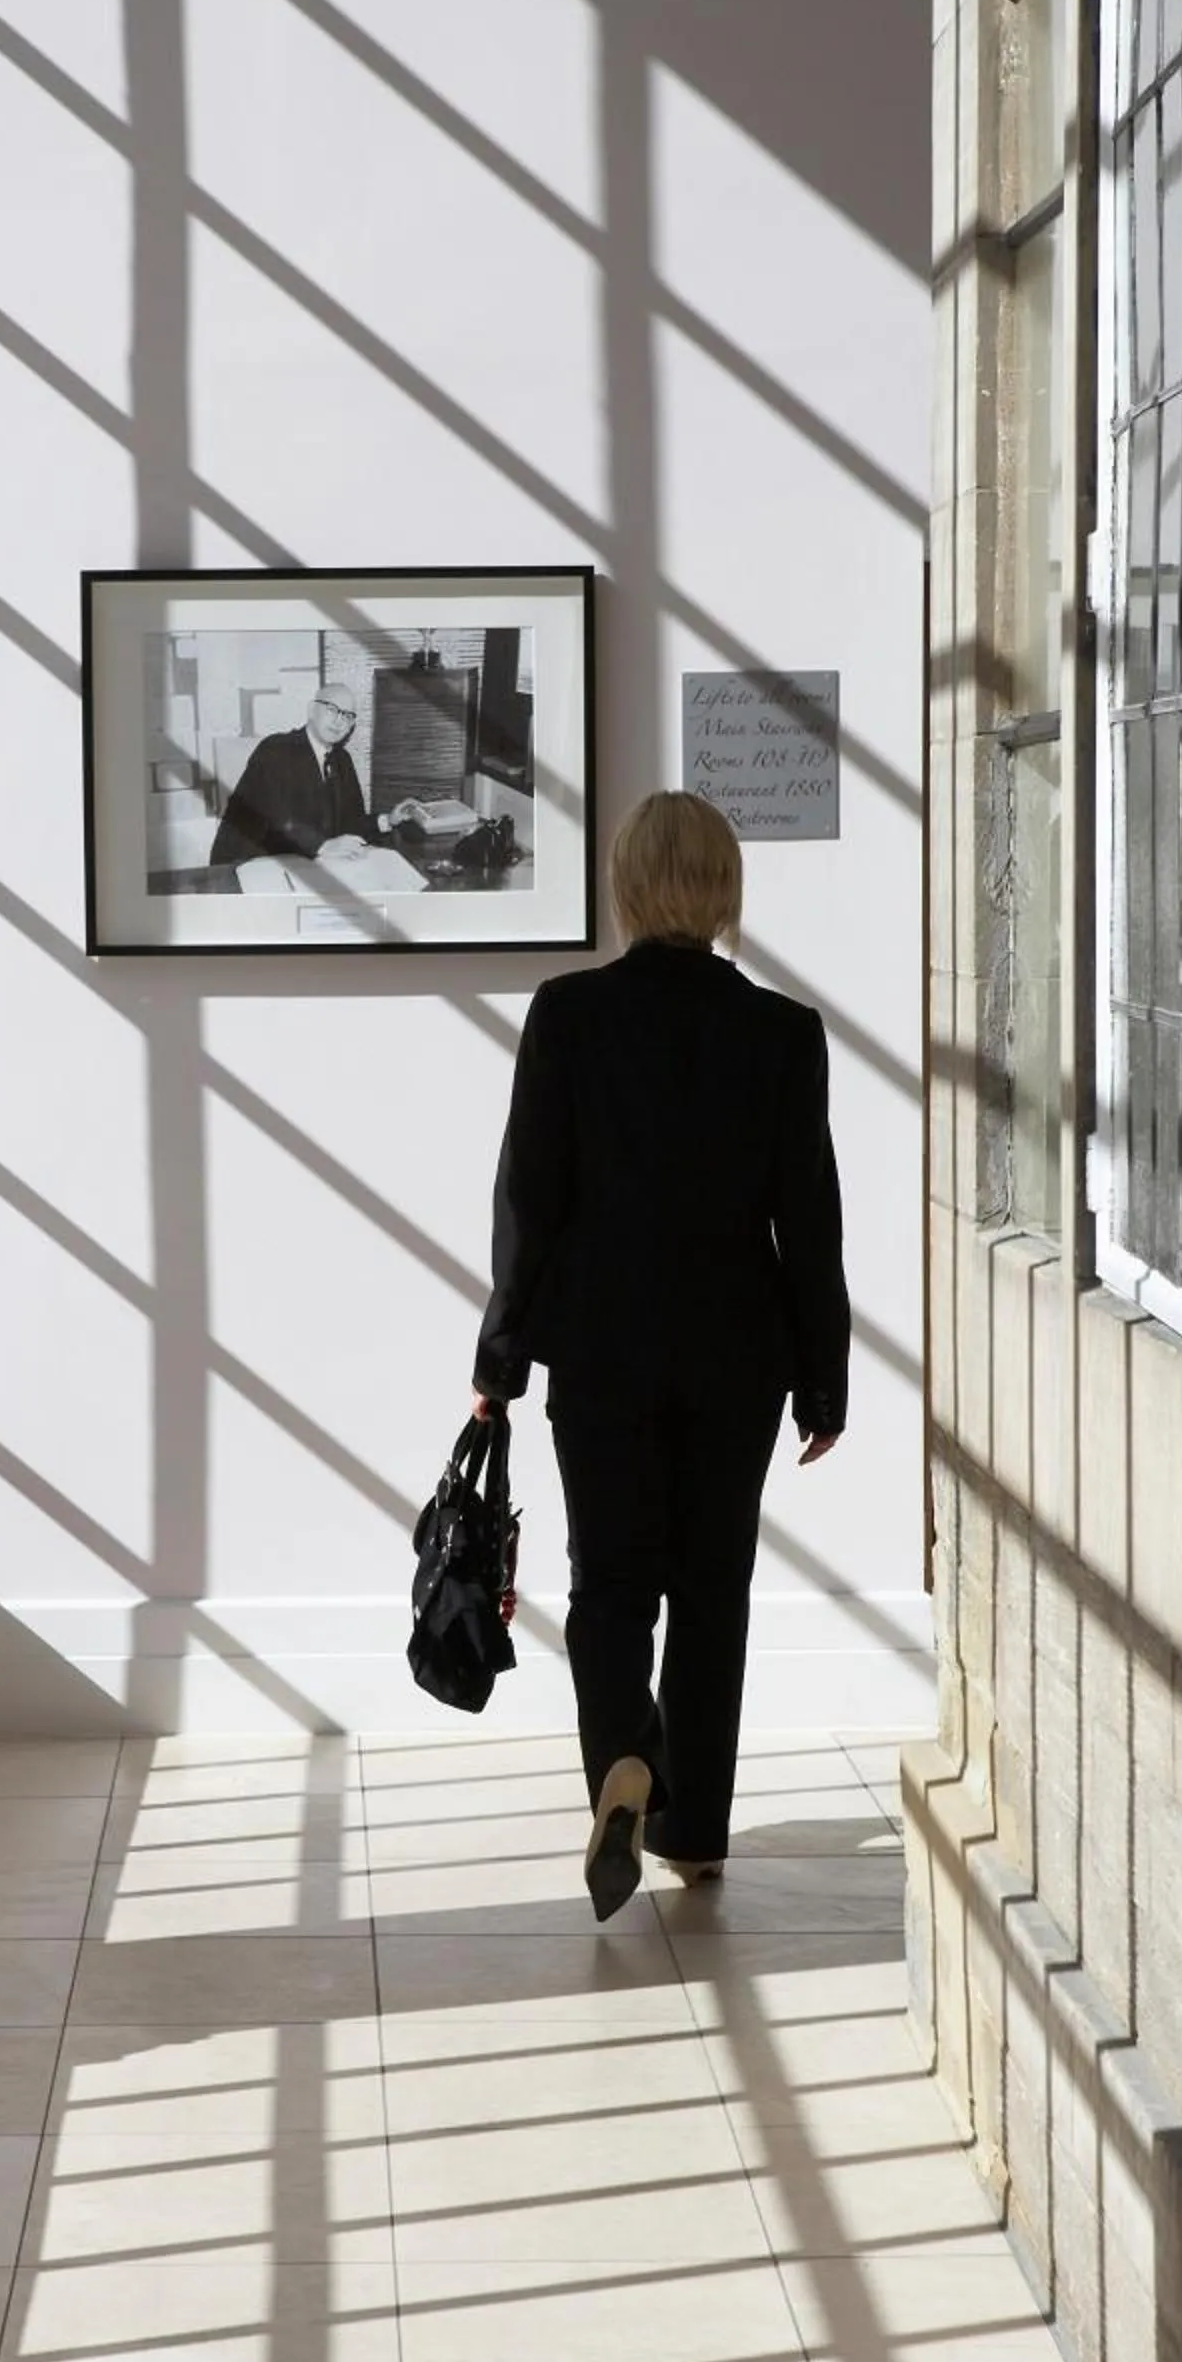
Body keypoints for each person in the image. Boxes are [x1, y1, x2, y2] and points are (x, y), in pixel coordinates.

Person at [471, 790, 849, 1922]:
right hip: (740, 1353)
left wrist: (500, 1360)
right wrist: (823, 1375)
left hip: (600, 1350)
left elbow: (527, 1204)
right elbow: (809, 1219)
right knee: (712, 1589)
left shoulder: (567, 1016)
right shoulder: (783, 1034)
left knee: (609, 1585)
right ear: (724, 892)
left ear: (628, 888)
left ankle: (624, 1762)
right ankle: (695, 1833)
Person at [210, 685, 423, 865]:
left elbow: (351, 822)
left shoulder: (342, 760)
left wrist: (388, 820)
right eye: (332, 710)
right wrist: (323, 846)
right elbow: (276, 820)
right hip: (246, 863)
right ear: (312, 710)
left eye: (348, 716)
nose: (340, 721)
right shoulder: (276, 750)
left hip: (305, 863)